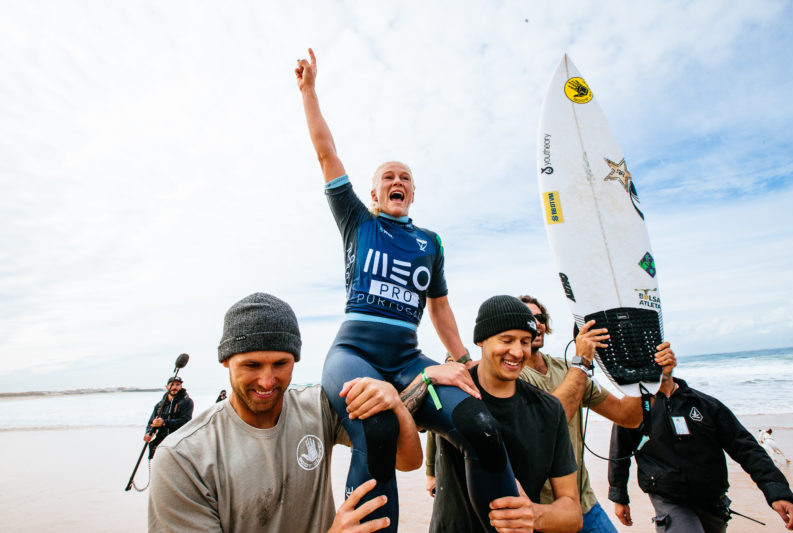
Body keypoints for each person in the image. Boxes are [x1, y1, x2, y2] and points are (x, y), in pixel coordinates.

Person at [296, 48, 518, 531]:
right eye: (387, 177)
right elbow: (325, 152)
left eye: (406, 178)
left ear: (413, 194)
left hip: (407, 360)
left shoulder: (430, 242)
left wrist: (461, 361)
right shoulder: (357, 221)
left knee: (482, 426)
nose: (397, 181)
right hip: (353, 353)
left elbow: (439, 308)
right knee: (375, 426)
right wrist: (310, 92)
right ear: (374, 194)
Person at [148, 293, 422, 533]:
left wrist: (395, 403)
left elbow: (406, 461)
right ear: (226, 361)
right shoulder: (182, 458)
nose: (267, 381)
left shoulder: (319, 408)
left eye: (280, 363)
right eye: (252, 365)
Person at [421, 295, 582, 532]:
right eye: (506, 340)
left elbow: (572, 513)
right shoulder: (451, 393)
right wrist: (422, 378)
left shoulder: (549, 410)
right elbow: (401, 446)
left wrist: (534, 514)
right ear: (481, 341)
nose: (517, 352)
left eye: (525, 341)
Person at [516, 295, 676, 533]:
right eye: (526, 318)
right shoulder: (514, 376)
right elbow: (549, 424)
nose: (535, 323)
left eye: (539, 318)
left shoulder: (565, 369)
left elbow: (628, 416)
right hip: (542, 512)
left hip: (585, 504)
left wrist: (652, 376)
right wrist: (581, 363)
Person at [608, 372, 793, 532]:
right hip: (668, 499)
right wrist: (619, 497)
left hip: (713, 500)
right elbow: (619, 452)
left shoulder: (707, 405)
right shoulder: (634, 410)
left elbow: (746, 448)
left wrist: (777, 492)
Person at [144, 374, 194, 459]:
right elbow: (152, 422)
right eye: (172, 384)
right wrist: (149, 432)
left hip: (179, 441)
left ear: (181, 386)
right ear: (167, 387)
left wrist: (164, 422)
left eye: (177, 385)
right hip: (161, 442)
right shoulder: (160, 405)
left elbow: (186, 421)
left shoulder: (187, 402)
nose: (175, 387)